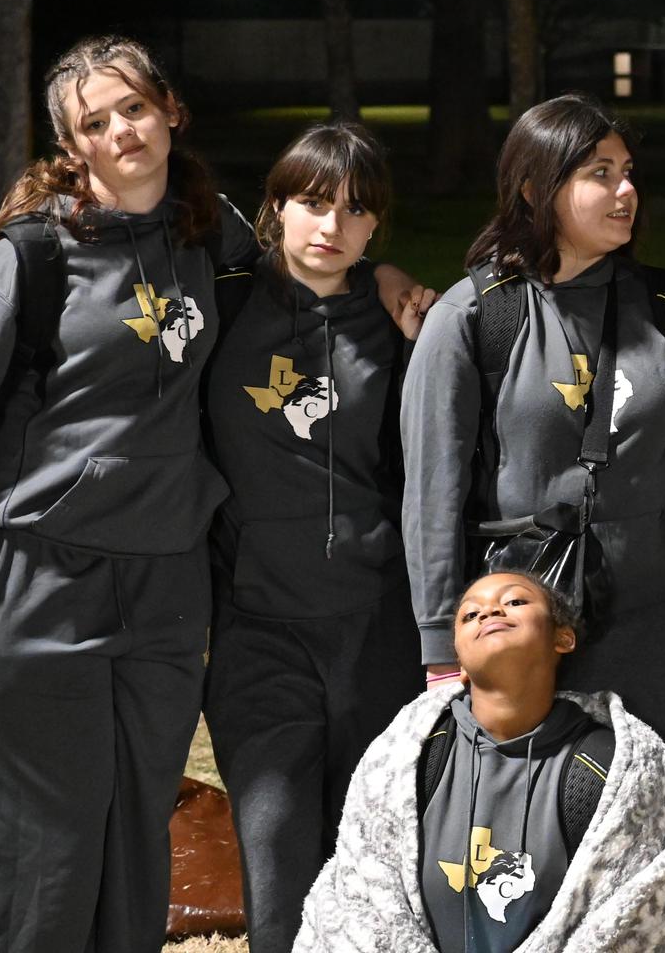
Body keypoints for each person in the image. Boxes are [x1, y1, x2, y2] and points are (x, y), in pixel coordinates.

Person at [0, 35, 259, 953]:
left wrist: (383, 279)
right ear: (74, 147)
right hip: (38, 585)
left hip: (166, 587)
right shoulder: (30, 259)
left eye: (133, 107)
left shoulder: (213, 237)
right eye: (94, 122)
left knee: (138, 828)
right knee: (49, 848)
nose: (121, 130)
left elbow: (306, 299)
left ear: (170, 109)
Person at [401, 94, 665, 824]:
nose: (625, 191)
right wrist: (442, 652)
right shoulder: (472, 318)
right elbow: (433, 496)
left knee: (651, 850)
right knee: (526, 848)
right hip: (518, 637)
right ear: (535, 189)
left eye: (627, 172)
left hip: (656, 635)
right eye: (598, 174)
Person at [202, 122, 425, 951]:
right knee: (276, 848)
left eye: (355, 211)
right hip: (258, 628)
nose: (330, 226)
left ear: (375, 229)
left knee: (371, 863)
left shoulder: (406, 325)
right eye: (312, 203)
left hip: (376, 627)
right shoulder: (222, 300)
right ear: (277, 206)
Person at [293, 569, 665, 952]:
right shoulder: (410, 757)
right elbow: (360, 903)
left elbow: (638, 920)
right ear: (458, 661)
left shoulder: (607, 766)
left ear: (562, 638)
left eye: (515, 602)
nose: (489, 610)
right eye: (469, 613)